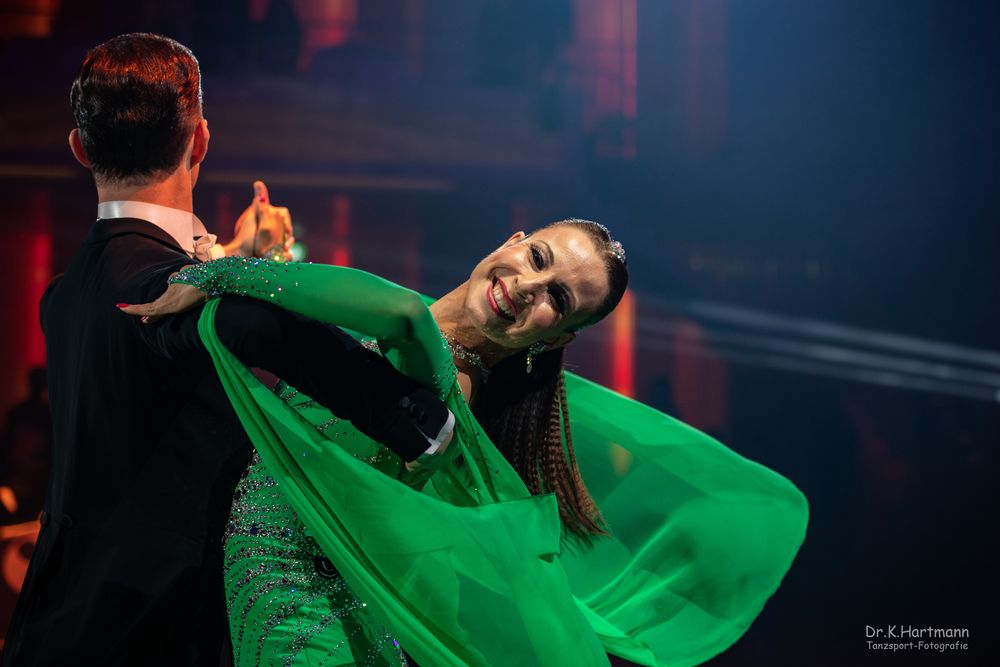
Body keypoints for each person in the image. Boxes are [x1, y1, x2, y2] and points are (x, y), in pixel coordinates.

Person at [125, 219, 809, 666]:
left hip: (305, 617)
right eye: (538, 258)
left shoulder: (445, 377)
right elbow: (341, 319)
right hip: (273, 596)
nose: (529, 287)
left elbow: (392, 311)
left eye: (557, 300)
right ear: (514, 238)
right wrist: (265, 255)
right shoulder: (422, 345)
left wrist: (213, 273)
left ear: (556, 338)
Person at [1, 33, 455, 667]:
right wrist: (416, 418)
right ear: (203, 140)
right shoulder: (164, 292)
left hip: (59, 624)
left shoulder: (61, 296)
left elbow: (172, 307)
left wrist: (235, 262)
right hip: (156, 632)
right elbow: (242, 322)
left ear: (79, 149)